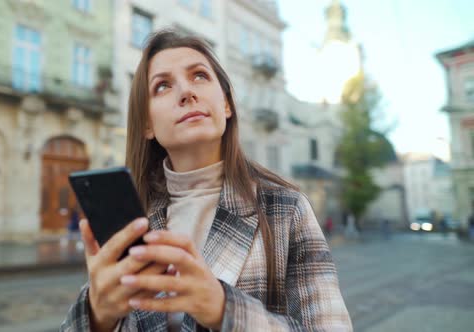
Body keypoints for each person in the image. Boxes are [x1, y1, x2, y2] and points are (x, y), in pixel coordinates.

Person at [61, 30, 352, 331]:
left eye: (199, 76)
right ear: (147, 123)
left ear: (226, 105)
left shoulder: (285, 209)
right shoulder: (134, 218)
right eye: (162, 86)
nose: (187, 92)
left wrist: (224, 309)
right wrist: (98, 317)